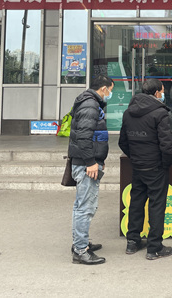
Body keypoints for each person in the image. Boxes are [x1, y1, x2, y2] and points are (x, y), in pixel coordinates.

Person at [119, 78, 172, 260]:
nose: (163, 94)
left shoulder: (128, 112)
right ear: (157, 92)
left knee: (136, 202)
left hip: (138, 165)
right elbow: (167, 145)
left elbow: (122, 142)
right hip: (155, 166)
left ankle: (132, 242)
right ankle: (154, 247)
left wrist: (135, 157)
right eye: (163, 91)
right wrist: (165, 163)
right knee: (156, 205)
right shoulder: (160, 113)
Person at [69, 75, 114, 265]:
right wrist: (91, 162)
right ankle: (81, 250)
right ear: (103, 88)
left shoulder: (88, 103)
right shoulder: (90, 106)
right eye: (110, 90)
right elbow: (84, 136)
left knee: (81, 205)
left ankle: (80, 243)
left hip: (87, 161)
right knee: (86, 207)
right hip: (86, 164)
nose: (110, 94)